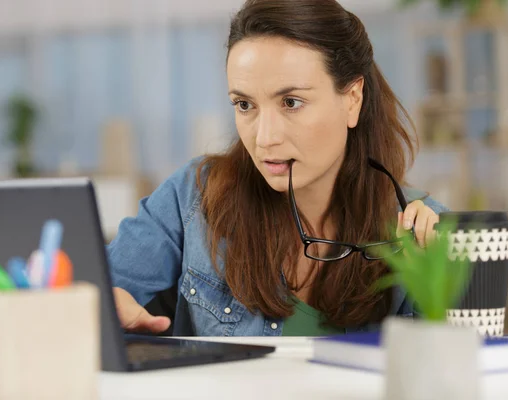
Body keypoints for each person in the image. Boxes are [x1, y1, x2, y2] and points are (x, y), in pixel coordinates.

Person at [107, 0, 449, 337]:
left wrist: (429, 276)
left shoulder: (422, 229)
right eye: (244, 105)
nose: (265, 138)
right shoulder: (193, 197)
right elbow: (92, 288)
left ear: (352, 99)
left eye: (291, 103)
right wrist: (98, 303)